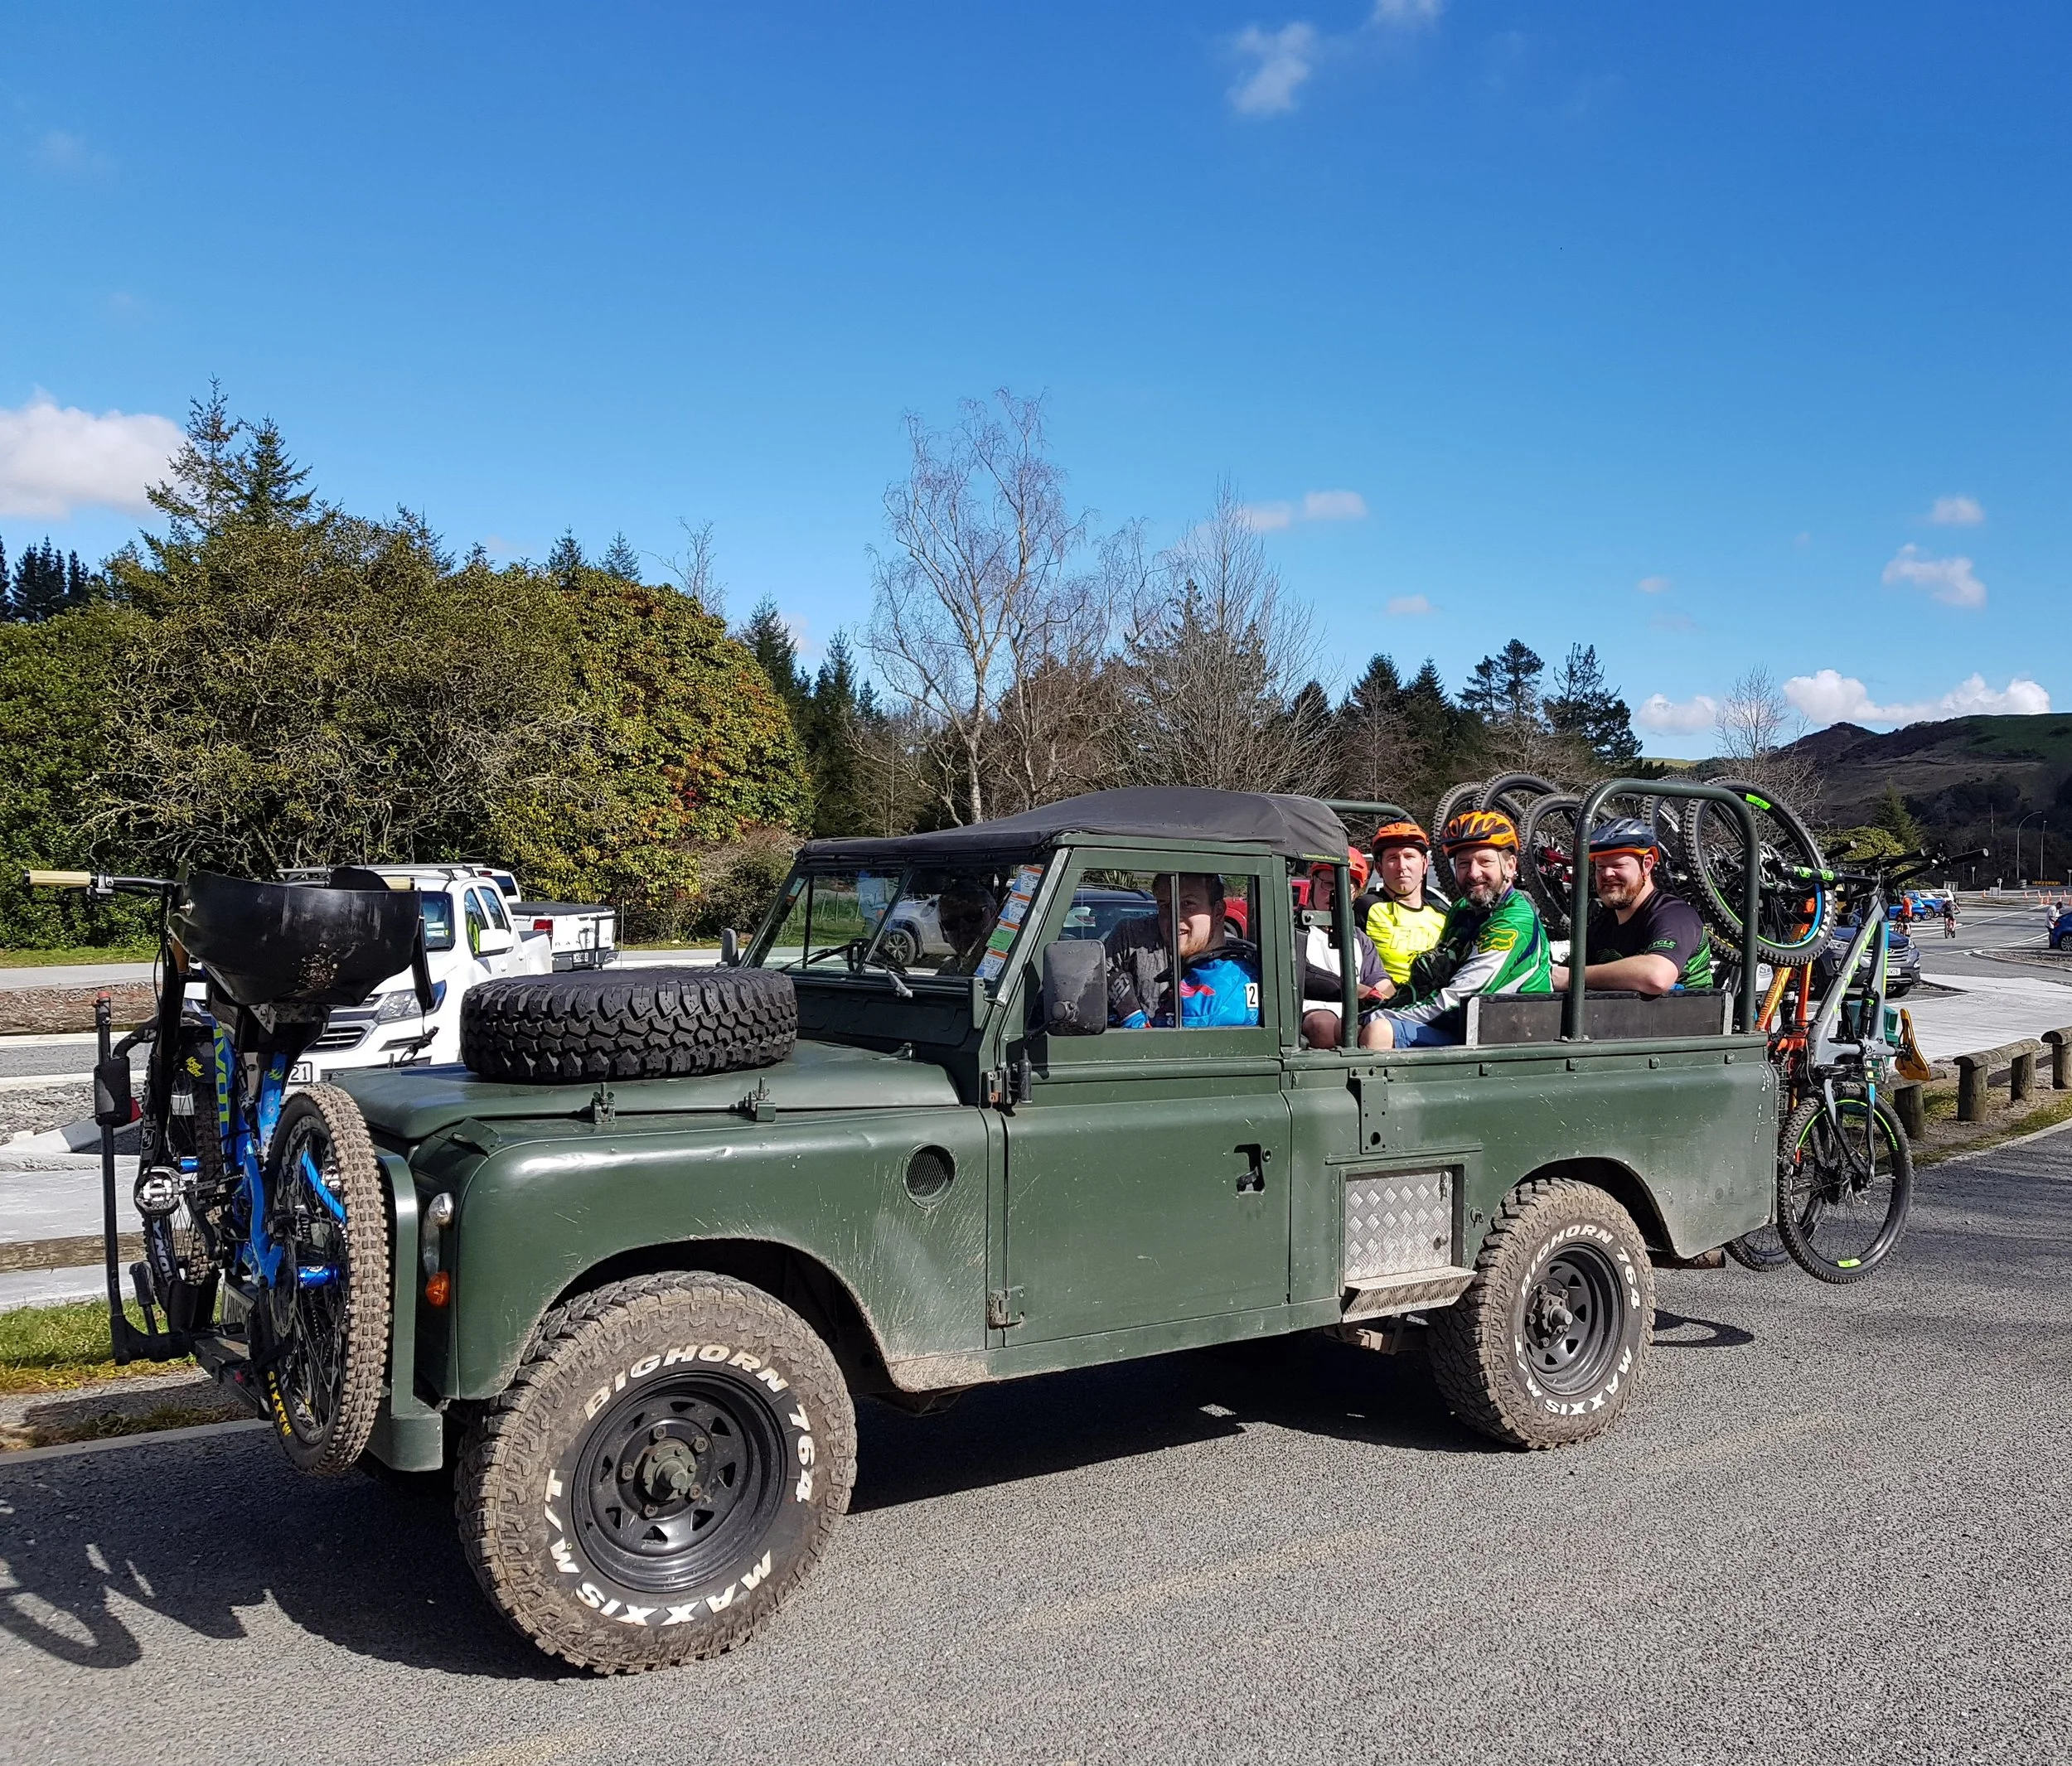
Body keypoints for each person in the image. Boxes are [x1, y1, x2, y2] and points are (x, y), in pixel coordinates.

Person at [1369, 810, 1551, 1049]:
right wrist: (1377, 1009)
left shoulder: (1514, 921)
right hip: (1470, 1029)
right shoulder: (1463, 909)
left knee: (1379, 1031)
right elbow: (1432, 983)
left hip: (1511, 1042)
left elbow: (1456, 1001)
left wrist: (1370, 1019)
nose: (1473, 873)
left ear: (1509, 866)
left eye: (1485, 862)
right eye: (1464, 864)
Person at [1550, 819, 1713, 997]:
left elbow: (1657, 976)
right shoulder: (1602, 924)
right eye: (1600, 867)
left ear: (1647, 864)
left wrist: (1574, 977)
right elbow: (1557, 977)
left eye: (1618, 865)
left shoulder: (1674, 915)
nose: (1607, 874)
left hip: (1687, 1021)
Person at [1104, 872, 1261, 1028]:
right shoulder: (1215, 968)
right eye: (1165, 906)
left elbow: (1162, 1047)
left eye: (1187, 904)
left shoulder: (1219, 991)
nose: (1173, 917)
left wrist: (1132, 1017)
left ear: (1218, 912)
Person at [1299, 849, 1389, 1048]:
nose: (1334, 894)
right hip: (1306, 1013)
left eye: (1344, 888)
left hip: (1353, 1015)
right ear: (1312, 882)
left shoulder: (1359, 939)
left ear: (1356, 893)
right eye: (1329, 884)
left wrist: (1394, 998)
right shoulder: (1294, 929)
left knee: (1381, 1028)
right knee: (1323, 1025)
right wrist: (1357, 991)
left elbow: (1380, 981)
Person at [1363, 817, 1446, 991]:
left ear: (1425, 864)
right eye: (1393, 858)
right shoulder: (1367, 907)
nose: (1402, 866)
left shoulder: (1442, 916)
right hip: (1382, 1006)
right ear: (1379, 868)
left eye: (1409, 856)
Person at [932, 877, 1000, 975]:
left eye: (972, 916)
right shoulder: (946, 973)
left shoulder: (1012, 966)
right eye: (952, 922)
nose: (964, 928)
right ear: (943, 931)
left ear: (994, 916)